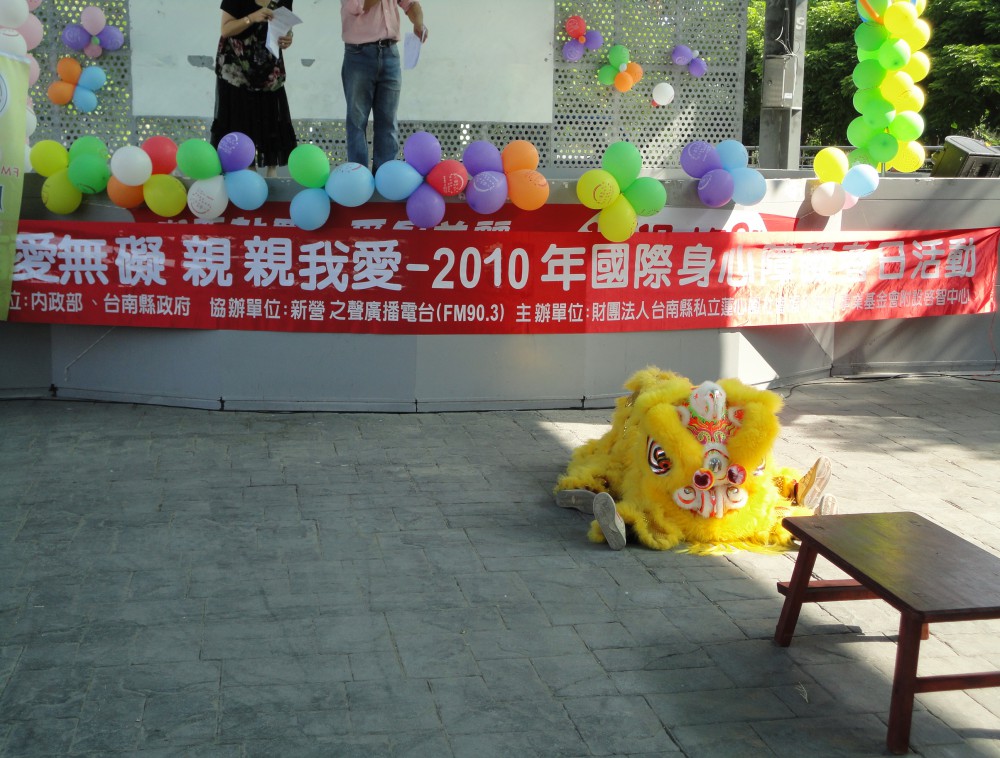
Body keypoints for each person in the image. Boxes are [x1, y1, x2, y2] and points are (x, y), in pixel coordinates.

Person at [212, 0, 297, 178]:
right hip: (237, 68)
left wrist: (288, 37)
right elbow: (225, 30)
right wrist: (251, 18)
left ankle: (272, 173)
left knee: (271, 119)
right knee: (240, 120)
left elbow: (285, 27)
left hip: (268, 68)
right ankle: (247, 170)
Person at [340, 0, 427, 174]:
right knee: (357, 121)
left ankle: (384, 176)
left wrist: (418, 23)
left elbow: (411, 5)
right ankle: (358, 177)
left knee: (388, 121)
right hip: (358, 55)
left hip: (390, 53)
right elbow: (357, 6)